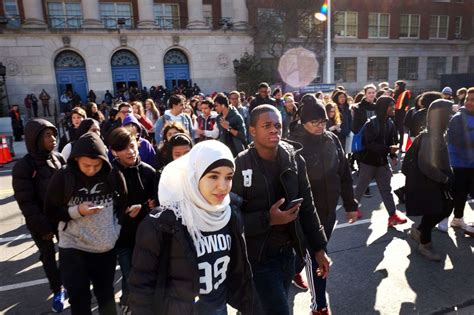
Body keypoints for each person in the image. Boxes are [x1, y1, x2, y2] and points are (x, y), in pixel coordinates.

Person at [128, 140, 260, 315]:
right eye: (213, 176)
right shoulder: (163, 222)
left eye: (228, 177)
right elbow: (141, 286)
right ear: (194, 176)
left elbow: (239, 272)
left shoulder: (230, 215)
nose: (223, 186)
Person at [231, 104, 330, 315]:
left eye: (277, 125)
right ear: (252, 130)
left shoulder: (294, 159)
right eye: (267, 125)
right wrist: (268, 219)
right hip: (257, 258)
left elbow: (308, 207)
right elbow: (230, 218)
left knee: (264, 308)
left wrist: (319, 248)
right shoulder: (240, 165)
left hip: (288, 255)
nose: (274, 130)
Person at [289, 95, 359, 314]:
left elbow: (344, 174)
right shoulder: (292, 144)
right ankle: (319, 306)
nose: (320, 127)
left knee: (308, 254)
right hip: (306, 214)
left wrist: (350, 204)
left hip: (329, 212)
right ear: (303, 122)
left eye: (323, 122)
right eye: (314, 123)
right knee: (319, 256)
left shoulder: (332, 139)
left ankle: (291, 271)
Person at [44, 132, 126, 315]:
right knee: (79, 300)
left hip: (105, 248)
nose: (91, 170)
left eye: (96, 165)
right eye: (86, 165)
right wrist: (77, 211)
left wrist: (115, 231)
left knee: (106, 297)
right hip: (73, 247)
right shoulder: (63, 177)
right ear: (76, 160)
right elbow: (50, 211)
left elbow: (122, 206)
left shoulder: (113, 175)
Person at [12, 118, 66, 312]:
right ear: (35, 139)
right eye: (47, 135)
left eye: (53, 134)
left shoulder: (58, 158)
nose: (52, 138)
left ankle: (67, 281)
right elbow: (26, 202)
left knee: (68, 252)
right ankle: (57, 289)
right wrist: (42, 227)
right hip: (41, 223)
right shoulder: (24, 167)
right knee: (49, 255)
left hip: (62, 217)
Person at [108, 127, 158, 312]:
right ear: (114, 151)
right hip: (123, 238)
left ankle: (130, 301)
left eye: (131, 146)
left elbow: (157, 203)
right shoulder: (110, 174)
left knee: (146, 279)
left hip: (148, 237)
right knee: (131, 276)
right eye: (122, 148)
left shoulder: (149, 172)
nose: (129, 151)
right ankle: (129, 305)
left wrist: (151, 206)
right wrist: (124, 212)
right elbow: (107, 209)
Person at [405, 99, 454, 260]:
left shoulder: (439, 134)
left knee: (442, 209)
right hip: (430, 181)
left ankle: (419, 231)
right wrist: (445, 178)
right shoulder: (430, 137)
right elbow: (425, 165)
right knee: (437, 209)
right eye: (448, 113)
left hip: (435, 180)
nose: (451, 116)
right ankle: (424, 243)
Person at [353, 96, 408, 227]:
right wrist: (388, 149)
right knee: (361, 187)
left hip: (382, 162)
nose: (393, 108)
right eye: (390, 106)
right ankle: (353, 209)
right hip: (368, 162)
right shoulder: (371, 123)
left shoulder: (390, 123)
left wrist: (393, 156)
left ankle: (392, 215)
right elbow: (369, 144)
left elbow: (392, 142)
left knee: (386, 190)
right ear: (383, 107)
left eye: (393, 105)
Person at [438, 87, 474, 237]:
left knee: (464, 194)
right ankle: (443, 219)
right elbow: (456, 140)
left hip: (471, 164)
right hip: (459, 163)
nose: (469, 103)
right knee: (455, 193)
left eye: (473, 100)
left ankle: (458, 219)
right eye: (467, 100)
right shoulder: (458, 117)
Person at [393, 80, 411, 151]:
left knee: (401, 130)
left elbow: (406, 104)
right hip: (394, 112)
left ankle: (401, 146)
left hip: (401, 113)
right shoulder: (395, 92)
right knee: (394, 129)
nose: (395, 87)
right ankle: (394, 144)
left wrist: (403, 112)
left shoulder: (405, 93)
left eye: (397, 86)